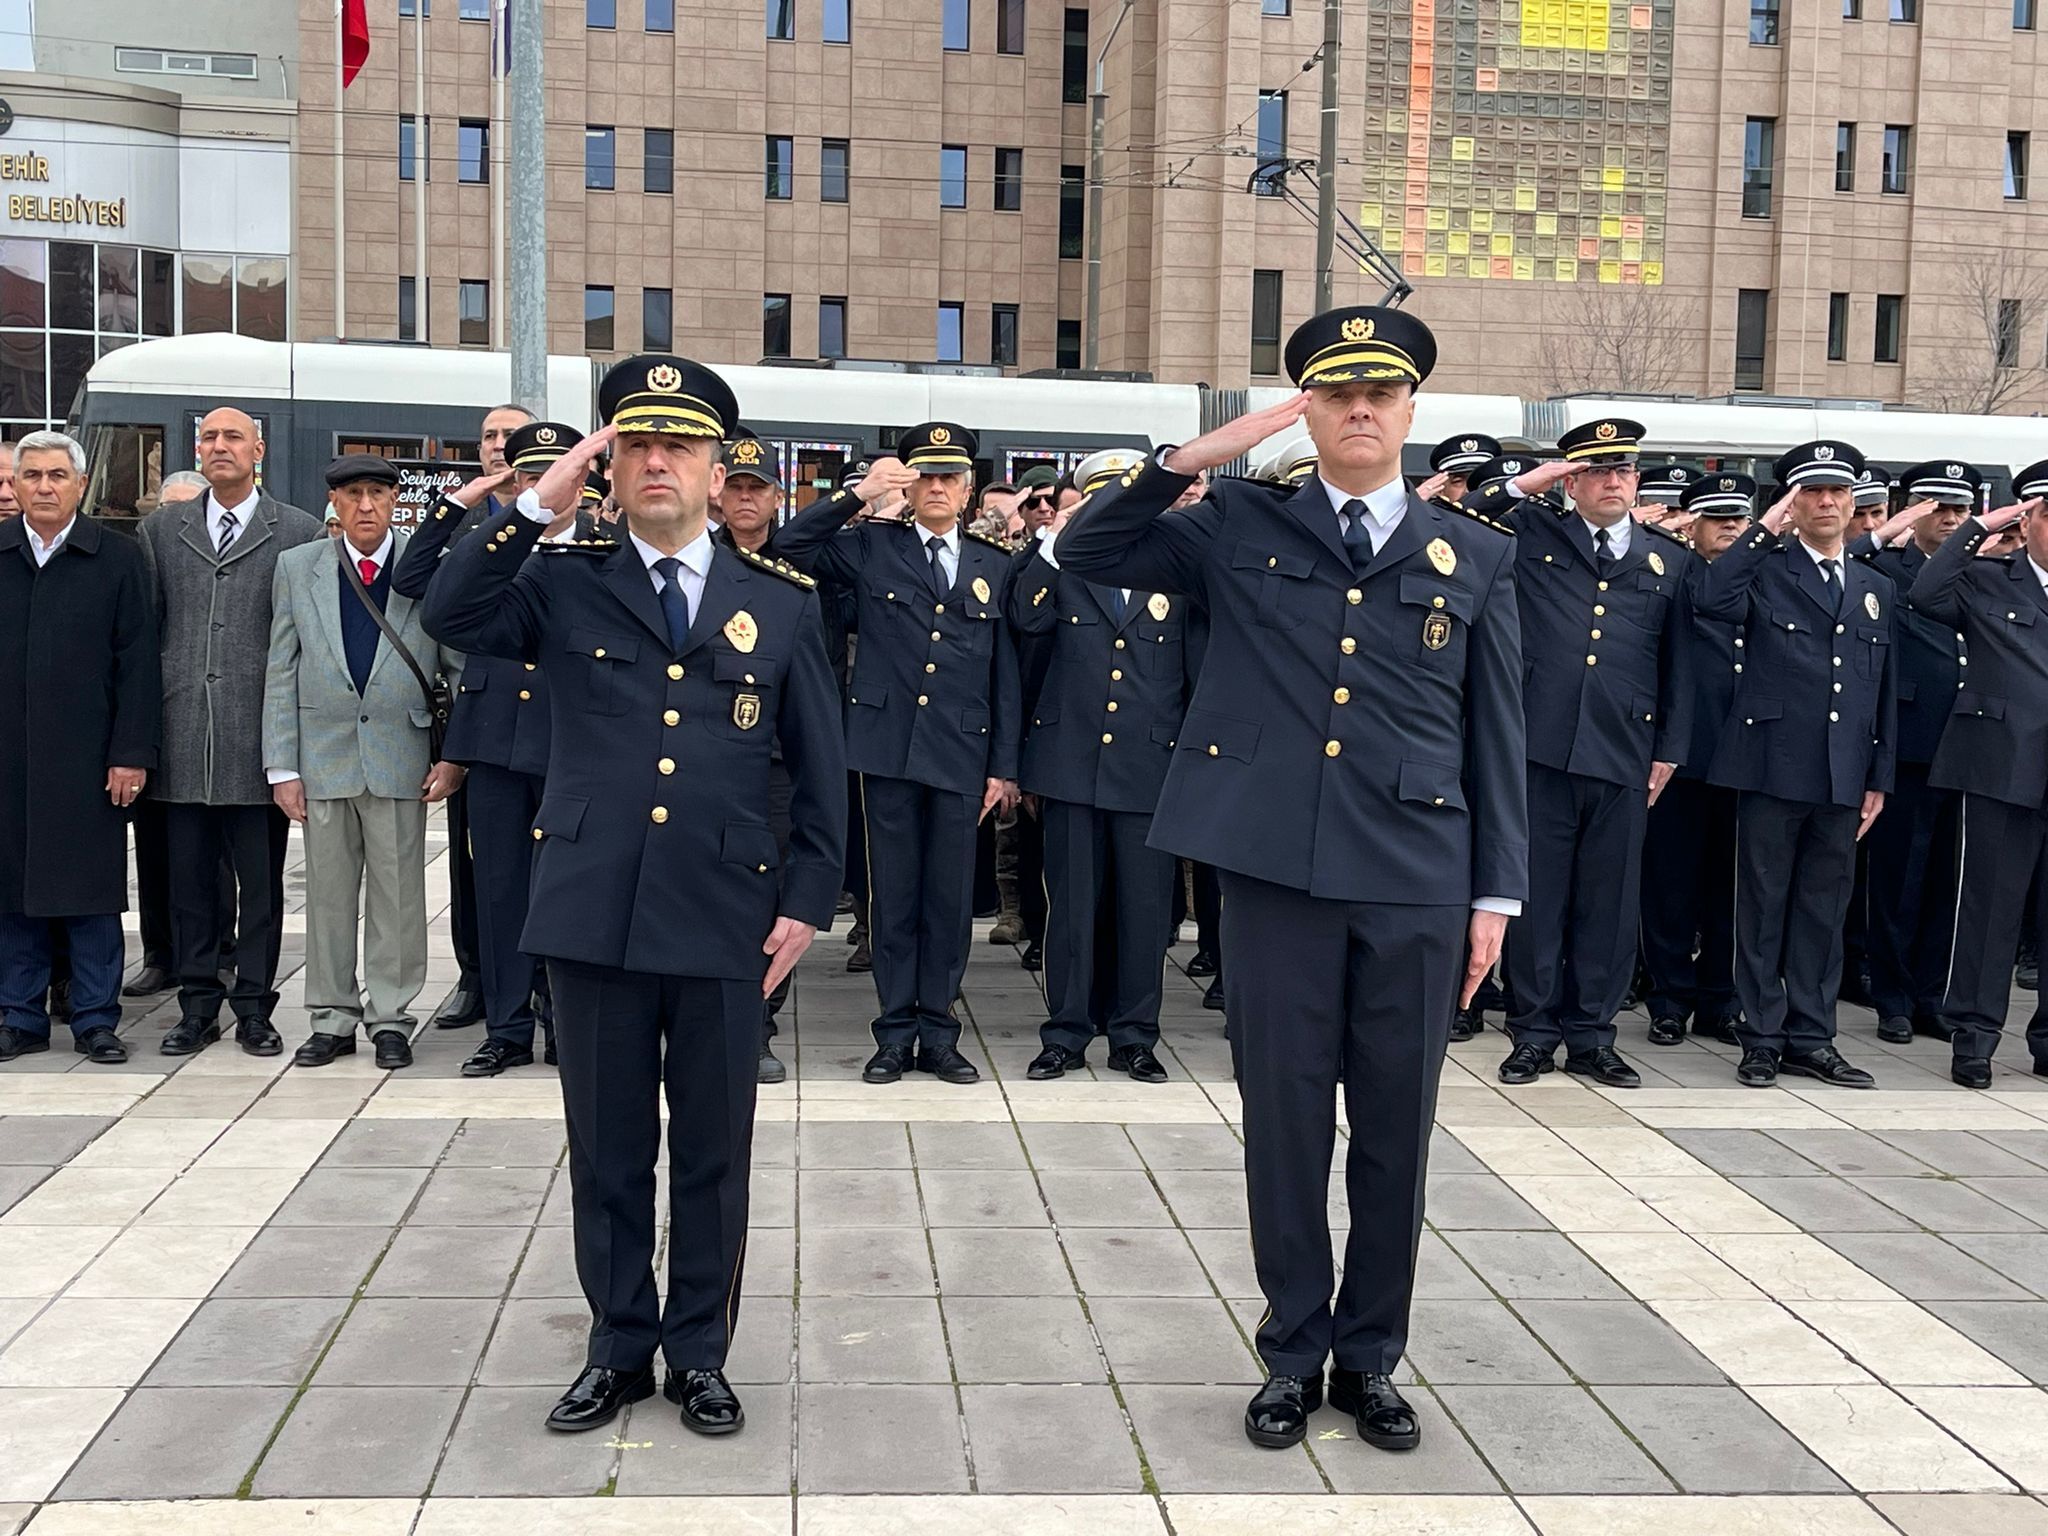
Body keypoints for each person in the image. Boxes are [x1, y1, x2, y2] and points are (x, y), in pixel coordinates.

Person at [1056, 307, 1526, 1456]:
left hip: (1417, 875)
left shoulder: (1477, 553)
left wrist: (1495, 897)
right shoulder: (1231, 523)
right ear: (1304, 410)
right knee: (1282, 1126)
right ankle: (1291, 1352)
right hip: (1271, 871)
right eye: (1335, 394)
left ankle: (1369, 1360)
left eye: (1380, 394)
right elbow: (1085, 551)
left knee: (1391, 1134)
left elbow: (1493, 736)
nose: (1359, 410)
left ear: (1411, 411)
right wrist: (1187, 461)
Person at [422, 355, 845, 1437]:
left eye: (681, 447)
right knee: (610, 1149)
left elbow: (815, 765)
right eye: (636, 445)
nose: (660, 462)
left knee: (713, 1149)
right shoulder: (564, 581)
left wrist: (806, 898)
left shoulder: (778, 604)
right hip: (593, 906)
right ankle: (617, 1347)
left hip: (725, 914)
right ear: (611, 464)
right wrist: (546, 487)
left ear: (718, 470)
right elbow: (451, 606)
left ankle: (698, 1352)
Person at [769, 423, 1023, 1087]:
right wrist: (858, 496)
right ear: (909, 485)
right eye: (924, 476)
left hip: (963, 755)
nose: (936, 486)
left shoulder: (995, 564)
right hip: (884, 751)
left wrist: (1004, 765)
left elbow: (1007, 674)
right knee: (892, 901)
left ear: (968, 491)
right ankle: (893, 1032)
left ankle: (938, 1032)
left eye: (949, 477)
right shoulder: (871, 548)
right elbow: (787, 547)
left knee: (948, 903)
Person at [1479, 421, 1692, 1087]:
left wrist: (1671, 748)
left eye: (1622, 471)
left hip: (1624, 751)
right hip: (1540, 745)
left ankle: (1593, 1035)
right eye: (1596, 470)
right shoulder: (1531, 533)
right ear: (1570, 481)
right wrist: (1530, 478)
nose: (1612, 482)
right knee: (1537, 899)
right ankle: (1533, 1031)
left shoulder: (1669, 559)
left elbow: (1680, 663)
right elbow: (1464, 509)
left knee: (1609, 901)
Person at [1694, 441, 1895, 1090]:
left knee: (1821, 912)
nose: (1828, 502)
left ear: (1854, 500)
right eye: (1812, 492)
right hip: (1773, 767)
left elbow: (1881, 689)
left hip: (1842, 774)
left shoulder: (1874, 587)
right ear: (1794, 502)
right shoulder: (1766, 569)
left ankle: (1812, 1036)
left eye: (1838, 492)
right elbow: (1712, 598)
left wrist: (1879, 776)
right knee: (1762, 909)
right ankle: (1761, 1037)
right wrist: (1764, 526)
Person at [403, 422, 595, 1077]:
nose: (542, 486)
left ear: (582, 479)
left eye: (552, 474)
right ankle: (508, 1028)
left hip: (571, 748)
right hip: (492, 746)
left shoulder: (607, 549)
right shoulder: (493, 546)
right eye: (526, 476)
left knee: (568, 894)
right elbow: (414, 582)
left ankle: (565, 1024)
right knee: (500, 890)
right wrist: (459, 505)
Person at [263, 455, 465, 1070]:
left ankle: (392, 1017)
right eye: (354, 495)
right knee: (325, 896)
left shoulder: (427, 568)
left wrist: (455, 757)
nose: (367, 506)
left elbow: (457, 667)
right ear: (336, 504)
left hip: (400, 754)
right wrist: (281, 765)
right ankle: (330, 1017)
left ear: (397, 501)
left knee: (399, 894)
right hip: (322, 759)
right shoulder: (299, 568)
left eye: (379, 493)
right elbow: (282, 667)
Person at [137, 407, 323, 1057]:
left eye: (232, 437)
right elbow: (146, 634)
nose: (220, 447)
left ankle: (253, 1005)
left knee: (261, 885)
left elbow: (306, 645)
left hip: (257, 739)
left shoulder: (298, 532)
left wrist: (293, 750)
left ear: (258, 450)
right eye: (209, 437)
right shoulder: (162, 530)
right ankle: (195, 1005)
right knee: (187, 884)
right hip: (182, 729)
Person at [1006, 447, 1188, 1084]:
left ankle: (1135, 1036)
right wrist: (1054, 545)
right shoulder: (1062, 564)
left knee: (1144, 911)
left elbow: (1193, 676)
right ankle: (1066, 1032)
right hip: (1070, 763)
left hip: (1150, 767)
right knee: (1071, 908)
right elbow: (1024, 618)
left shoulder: (1172, 568)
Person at [0, 432, 160, 1065]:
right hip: (9, 757)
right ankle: (19, 1016)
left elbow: (137, 665)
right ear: (14, 485)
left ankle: (95, 1017)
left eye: (56, 476)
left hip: (90, 758)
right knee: (12, 890)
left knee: (92, 892)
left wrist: (131, 753)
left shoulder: (117, 559)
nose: (43, 486)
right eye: (31, 475)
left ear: (80, 484)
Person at [1910, 468, 2048, 1085]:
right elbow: (1926, 593)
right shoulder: (1991, 579)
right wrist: (1979, 525)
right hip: (2001, 766)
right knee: (1989, 907)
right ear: (2028, 522)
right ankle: (1974, 1036)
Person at [414, 402, 534, 1031]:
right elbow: (414, 583)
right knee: (479, 872)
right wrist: (459, 504)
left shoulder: (582, 521)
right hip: (476, 722)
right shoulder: (467, 526)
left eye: (510, 437)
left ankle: (536, 1000)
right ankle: (479, 982)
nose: (497, 446)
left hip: (549, 726)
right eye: (488, 437)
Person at [1858, 462, 1971, 1047]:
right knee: (1898, 878)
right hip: (1907, 743)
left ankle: (1931, 996)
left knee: (1945, 883)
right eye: (1937, 507)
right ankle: (1893, 998)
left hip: (1968, 748)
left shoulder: (1983, 570)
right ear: (1915, 508)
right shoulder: (1886, 568)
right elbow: (1843, 564)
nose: (1949, 519)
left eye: (1959, 508)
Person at [1640, 473, 1754, 1048]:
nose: (1730, 526)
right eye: (1716, 517)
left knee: (1729, 890)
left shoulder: (1761, 576)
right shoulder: (1674, 574)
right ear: (1693, 525)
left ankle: (1719, 999)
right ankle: (1668, 998)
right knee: (1671, 886)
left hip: (1744, 760)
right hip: (1683, 758)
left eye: (1738, 516)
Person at [714, 426, 799, 1084]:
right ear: (719, 495)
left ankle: (757, 1024)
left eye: (757, 488)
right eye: (736, 487)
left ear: (777, 498)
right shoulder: (695, 565)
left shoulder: (795, 581)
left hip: (772, 765)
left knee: (769, 898)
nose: (746, 499)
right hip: (704, 760)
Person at [1424, 433, 1501, 506]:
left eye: (1478, 481)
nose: (1468, 491)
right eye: (1458, 481)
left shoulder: (1509, 519)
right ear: (1440, 489)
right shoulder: (1424, 519)